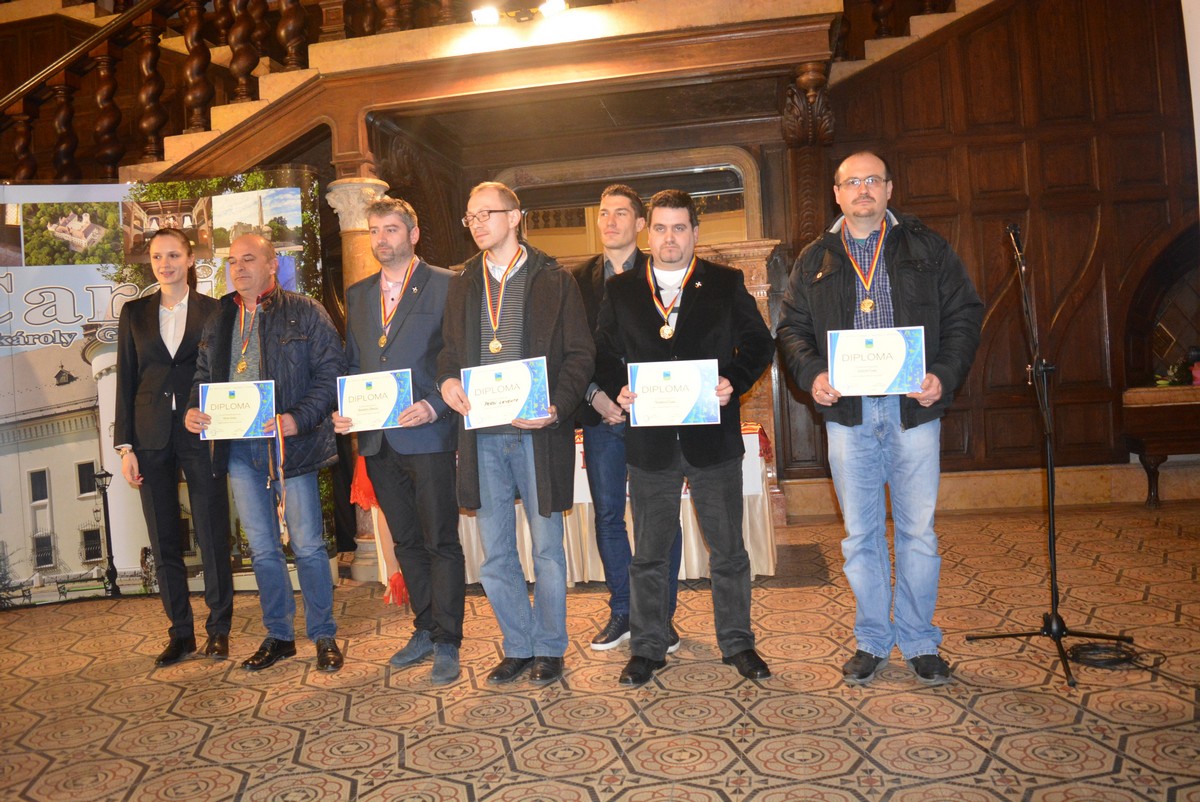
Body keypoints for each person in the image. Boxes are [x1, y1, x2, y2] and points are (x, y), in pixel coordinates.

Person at [776, 151, 983, 687]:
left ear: (889, 189)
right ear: (837, 194)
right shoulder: (815, 258)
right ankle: (871, 639)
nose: (862, 189)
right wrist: (813, 374)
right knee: (860, 535)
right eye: (852, 182)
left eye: (873, 180)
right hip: (849, 415)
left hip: (913, 409)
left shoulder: (927, 247)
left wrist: (943, 374)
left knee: (918, 533)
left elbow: (964, 314)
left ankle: (919, 641)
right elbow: (791, 328)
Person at [595, 189, 775, 687]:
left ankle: (738, 643)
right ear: (647, 233)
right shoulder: (622, 290)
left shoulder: (723, 282)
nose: (669, 238)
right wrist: (618, 386)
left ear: (695, 233)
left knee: (729, 551)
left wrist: (733, 380)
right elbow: (601, 351)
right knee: (649, 553)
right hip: (650, 444)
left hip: (712, 441)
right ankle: (648, 647)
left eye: (679, 228)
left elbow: (760, 343)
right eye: (660, 228)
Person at [437, 181, 594, 686]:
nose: (477, 224)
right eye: (471, 216)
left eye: (487, 213)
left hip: (537, 433)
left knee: (547, 548)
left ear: (515, 217)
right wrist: (446, 382)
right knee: (496, 553)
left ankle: (549, 647)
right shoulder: (463, 282)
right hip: (482, 434)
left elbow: (580, 355)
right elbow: (448, 353)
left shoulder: (555, 279)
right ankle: (518, 646)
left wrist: (557, 406)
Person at [185, 233, 347, 673]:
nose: (238, 268)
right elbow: (203, 376)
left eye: (249, 259)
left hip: (292, 446)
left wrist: (298, 418)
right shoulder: (219, 318)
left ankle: (323, 635)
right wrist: (194, 410)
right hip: (239, 451)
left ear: (273, 264)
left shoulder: (306, 311)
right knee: (261, 549)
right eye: (232, 261)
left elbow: (332, 372)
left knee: (308, 545)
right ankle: (279, 636)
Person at [333, 197, 464, 685]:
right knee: (406, 541)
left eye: (391, 229)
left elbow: (458, 356)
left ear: (413, 234)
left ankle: (448, 640)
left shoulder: (447, 284)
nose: (381, 239)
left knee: (440, 540)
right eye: (374, 230)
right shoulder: (359, 293)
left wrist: (435, 404)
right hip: (378, 440)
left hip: (428, 432)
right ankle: (425, 628)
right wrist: (345, 409)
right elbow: (355, 363)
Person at [570, 185, 684, 653]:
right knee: (609, 516)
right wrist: (595, 396)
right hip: (601, 416)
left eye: (621, 213)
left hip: (654, 415)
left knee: (660, 516)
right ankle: (622, 609)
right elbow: (570, 350)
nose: (611, 221)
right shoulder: (576, 280)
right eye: (603, 213)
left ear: (640, 224)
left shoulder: (663, 272)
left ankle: (659, 615)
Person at [114, 227, 234, 667]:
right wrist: (125, 447)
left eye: (173, 255)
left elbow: (223, 372)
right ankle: (180, 633)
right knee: (164, 539)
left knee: (212, 532)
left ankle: (218, 630)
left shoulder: (215, 310)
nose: (164, 264)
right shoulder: (133, 313)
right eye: (157, 257)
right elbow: (126, 378)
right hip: (149, 438)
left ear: (189, 260)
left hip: (200, 431)